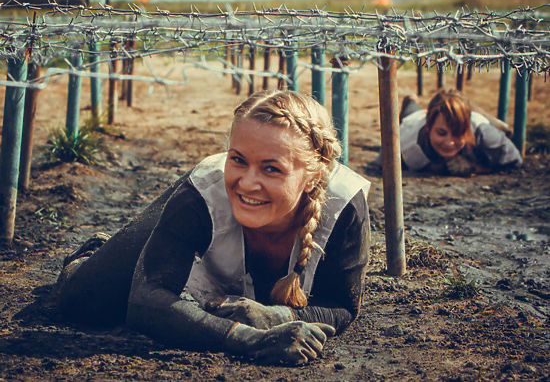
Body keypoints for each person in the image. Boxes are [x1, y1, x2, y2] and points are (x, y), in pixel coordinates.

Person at [55, 90, 371, 366]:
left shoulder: (344, 206)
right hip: (193, 229)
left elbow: (341, 303)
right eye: (238, 160)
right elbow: (146, 299)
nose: (247, 183)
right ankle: (102, 248)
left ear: (313, 177)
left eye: (271, 169)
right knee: (84, 301)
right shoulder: (203, 191)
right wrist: (251, 338)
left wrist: (279, 317)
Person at [376, 89, 522, 176]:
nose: (449, 142)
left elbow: (515, 160)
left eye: (458, 133)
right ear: (428, 127)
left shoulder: (484, 134)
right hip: (414, 119)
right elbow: (382, 162)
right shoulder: (407, 140)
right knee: (410, 111)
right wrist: (435, 168)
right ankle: (411, 100)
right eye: (441, 133)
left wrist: (475, 168)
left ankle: (489, 119)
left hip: (474, 124)